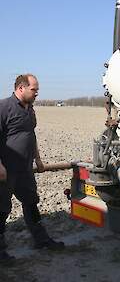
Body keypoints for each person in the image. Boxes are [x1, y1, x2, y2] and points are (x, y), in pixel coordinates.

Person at [0, 74, 64, 264]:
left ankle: (41, 240)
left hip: (25, 169)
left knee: (31, 202)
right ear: (21, 88)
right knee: (2, 209)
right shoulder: (4, 107)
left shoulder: (30, 110)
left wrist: (38, 159)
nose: (37, 93)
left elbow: (31, 135)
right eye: (34, 89)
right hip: (6, 171)